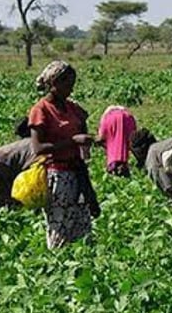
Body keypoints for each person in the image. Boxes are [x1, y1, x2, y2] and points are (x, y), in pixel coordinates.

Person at [28, 60, 98, 248]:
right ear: (53, 84)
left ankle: (83, 266)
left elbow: (82, 126)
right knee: (59, 226)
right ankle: (58, 267)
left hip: (77, 172)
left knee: (83, 225)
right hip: (56, 176)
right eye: (67, 84)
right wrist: (73, 141)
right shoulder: (40, 110)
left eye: (72, 84)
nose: (70, 89)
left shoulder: (72, 107)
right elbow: (38, 148)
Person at [98, 105, 137, 177]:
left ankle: (114, 170)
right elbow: (134, 135)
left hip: (112, 156)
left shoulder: (107, 117)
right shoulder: (128, 116)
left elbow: (101, 136)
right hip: (125, 154)